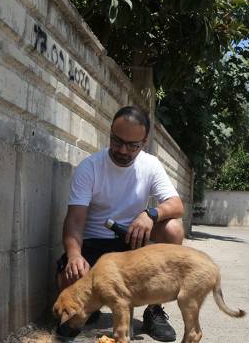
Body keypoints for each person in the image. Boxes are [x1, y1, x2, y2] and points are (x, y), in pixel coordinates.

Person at [56, 106, 185, 342]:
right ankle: (86, 310)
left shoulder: (151, 165)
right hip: (96, 243)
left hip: (132, 245)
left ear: (144, 142)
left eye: (132, 145)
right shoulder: (90, 167)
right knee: (68, 276)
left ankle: (154, 310)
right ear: (110, 133)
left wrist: (150, 214)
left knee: (174, 229)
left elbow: (177, 205)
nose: (123, 150)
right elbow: (74, 220)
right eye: (117, 141)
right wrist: (74, 255)